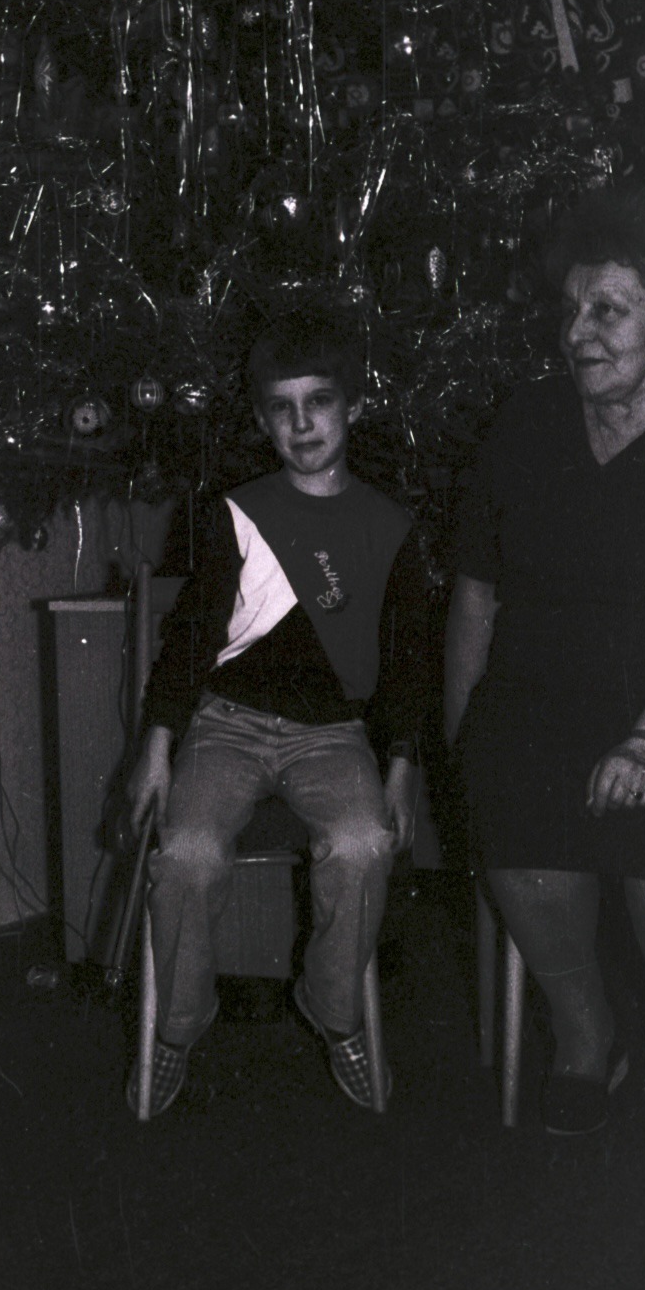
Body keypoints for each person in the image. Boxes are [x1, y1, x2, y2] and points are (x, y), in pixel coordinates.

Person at [445, 182, 645, 1159]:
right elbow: (476, 596)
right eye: (571, 309)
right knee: (512, 808)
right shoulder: (527, 426)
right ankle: (586, 1035)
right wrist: (460, 741)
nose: (580, 332)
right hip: (544, 698)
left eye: (608, 309)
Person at [124, 311, 428, 1116]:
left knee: (362, 843)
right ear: (261, 420)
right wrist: (158, 743)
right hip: (227, 721)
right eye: (282, 408)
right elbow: (189, 639)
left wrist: (401, 760)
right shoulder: (235, 514)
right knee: (186, 851)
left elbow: (404, 656)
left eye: (318, 402)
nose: (301, 424)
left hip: (332, 733)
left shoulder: (388, 525)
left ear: (350, 407)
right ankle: (179, 1027)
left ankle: (332, 1010)